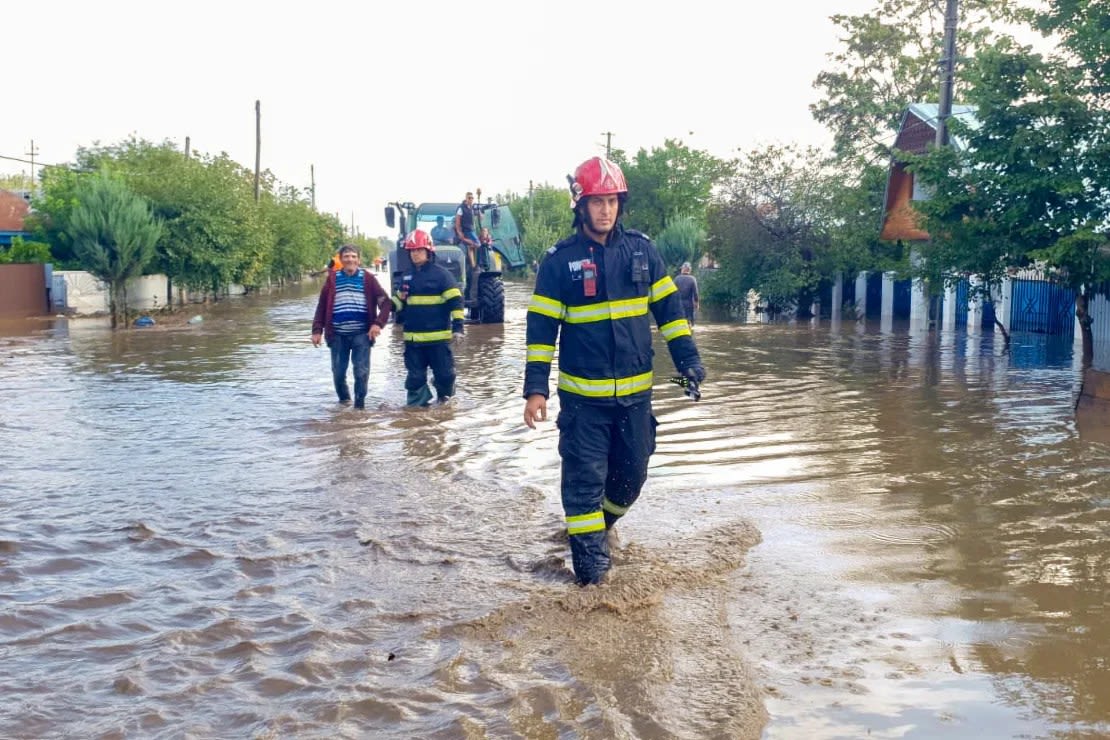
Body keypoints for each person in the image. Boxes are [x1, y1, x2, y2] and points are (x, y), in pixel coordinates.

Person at [522, 156, 706, 586]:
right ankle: (594, 586)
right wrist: (536, 390)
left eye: (612, 201)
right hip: (583, 404)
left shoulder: (642, 250)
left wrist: (690, 363)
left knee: (632, 477)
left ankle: (599, 528)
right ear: (580, 206)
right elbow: (541, 332)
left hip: (636, 400)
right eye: (597, 201)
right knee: (583, 485)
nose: (606, 210)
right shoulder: (558, 262)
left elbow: (671, 315)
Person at [311, 243, 391, 409]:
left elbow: (386, 303)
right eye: (346, 256)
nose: (350, 260)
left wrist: (378, 324)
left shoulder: (368, 279)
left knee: (361, 372)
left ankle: (359, 409)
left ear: (359, 260)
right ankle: (344, 403)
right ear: (341, 260)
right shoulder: (332, 279)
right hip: (338, 335)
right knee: (338, 373)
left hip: (362, 334)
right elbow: (322, 306)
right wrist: (317, 330)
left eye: (354, 256)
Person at [392, 229, 464, 406]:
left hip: (438, 340)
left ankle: (444, 403)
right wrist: (389, 304)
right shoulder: (406, 276)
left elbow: (456, 302)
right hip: (413, 341)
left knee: (446, 376)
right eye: (412, 251)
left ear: (428, 251)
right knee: (415, 379)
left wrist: (458, 328)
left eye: (419, 250)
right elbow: (398, 304)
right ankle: (416, 416)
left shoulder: (442, 275)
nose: (415, 254)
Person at [454, 191, 480, 269]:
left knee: (471, 248)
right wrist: (459, 232)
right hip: (467, 230)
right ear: (466, 198)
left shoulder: (471, 208)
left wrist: (480, 214)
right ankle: (464, 240)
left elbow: (478, 216)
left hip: (471, 230)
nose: (471, 199)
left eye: (472, 198)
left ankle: (473, 265)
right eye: (469, 198)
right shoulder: (461, 208)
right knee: (477, 244)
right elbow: (457, 221)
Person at [674, 261, 700, 328]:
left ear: (682, 269)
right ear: (690, 270)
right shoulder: (692, 279)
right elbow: (696, 293)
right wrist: (697, 303)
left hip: (678, 304)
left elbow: (673, 292)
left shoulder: (677, 279)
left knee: (679, 322)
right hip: (689, 305)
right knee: (690, 324)